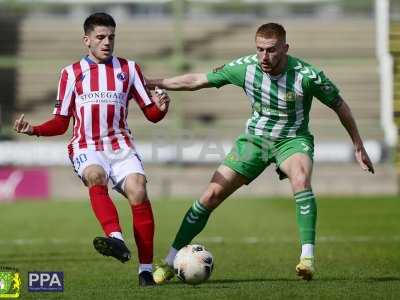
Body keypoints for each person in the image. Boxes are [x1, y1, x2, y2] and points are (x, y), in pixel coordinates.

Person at [147, 22, 374, 283]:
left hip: (292, 139)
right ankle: (168, 261)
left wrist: (358, 143)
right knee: (210, 195)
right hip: (255, 140)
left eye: (271, 50)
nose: (264, 57)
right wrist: (149, 81)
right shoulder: (246, 68)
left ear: (285, 48)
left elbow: (340, 105)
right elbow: (197, 80)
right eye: (260, 50)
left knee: (300, 178)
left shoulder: (306, 75)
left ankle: (307, 258)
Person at [13, 12, 170, 287]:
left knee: (138, 189)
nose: (106, 42)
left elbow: (152, 114)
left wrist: (162, 108)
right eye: (100, 37)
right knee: (96, 175)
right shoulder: (71, 73)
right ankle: (116, 239)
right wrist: (34, 129)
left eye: (111, 37)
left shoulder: (129, 69)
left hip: (120, 144)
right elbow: (62, 123)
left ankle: (145, 270)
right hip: (87, 145)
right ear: (87, 40)